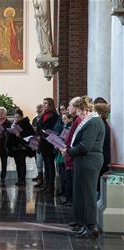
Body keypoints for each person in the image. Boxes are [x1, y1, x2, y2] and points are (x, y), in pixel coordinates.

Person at [61, 96, 105, 239]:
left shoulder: (93, 122)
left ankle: (91, 227)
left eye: (79, 112)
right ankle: (85, 224)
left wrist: (68, 151)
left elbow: (85, 146)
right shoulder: (90, 121)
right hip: (84, 161)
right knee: (81, 193)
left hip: (89, 160)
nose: (78, 115)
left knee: (88, 194)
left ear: (85, 109)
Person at [6, 109, 35, 186]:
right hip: (15, 147)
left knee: (22, 163)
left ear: (22, 117)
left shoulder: (26, 124)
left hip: (23, 147)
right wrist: (11, 131)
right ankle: (19, 179)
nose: (16, 119)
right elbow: (10, 136)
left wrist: (20, 135)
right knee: (17, 164)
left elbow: (31, 134)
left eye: (18, 117)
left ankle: (22, 180)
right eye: (15, 117)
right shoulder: (14, 124)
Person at [36, 97, 58, 193]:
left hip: (49, 143)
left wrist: (42, 134)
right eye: (43, 103)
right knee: (46, 165)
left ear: (50, 105)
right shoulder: (44, 114)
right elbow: (39, 126)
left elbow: (52, 129)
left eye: (45, 103)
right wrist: (38, 134)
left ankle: (51, 186)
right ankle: (46, 184)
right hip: (43, 143)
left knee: (50, 165)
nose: (43, 105)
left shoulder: (54, 116)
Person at [0, 107, 12, 186]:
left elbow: (10, 134)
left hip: (4, 145)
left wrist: (3, 134)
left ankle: (3, 177)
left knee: (4, 162)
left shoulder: (9, 123)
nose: (0, 114)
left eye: (2, 112)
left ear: (5, 114)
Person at [32, 104, 44, 187]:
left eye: (40, 108)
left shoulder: (44, 118)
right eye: (37, 109)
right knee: (37, 159)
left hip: (42, 141)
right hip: (36, 140)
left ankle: (44, 178)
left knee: (44, 161)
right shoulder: (35, 119)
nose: (38, 110)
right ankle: (39, 175)